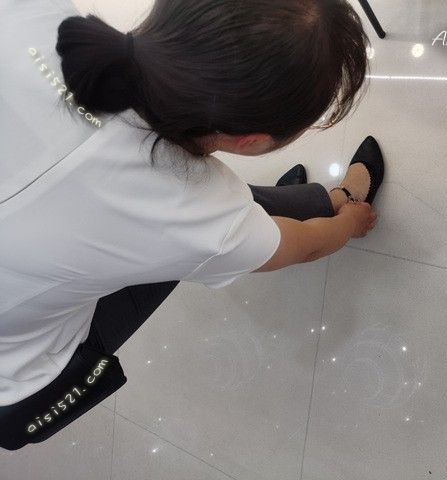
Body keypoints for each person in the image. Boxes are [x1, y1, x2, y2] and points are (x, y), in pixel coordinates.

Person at [0, 0, 384, 449]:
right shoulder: (187, 210)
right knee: (203, 225)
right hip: (23, 375)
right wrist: (349, 222)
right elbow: (306, 245)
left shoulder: (28, 14)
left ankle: (278, 211)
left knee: (202, 220)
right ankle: (331, 201)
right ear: (252, 142)